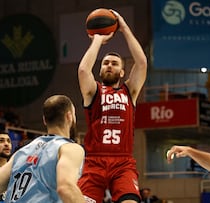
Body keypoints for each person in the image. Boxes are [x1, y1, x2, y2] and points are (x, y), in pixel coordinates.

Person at [77, 9, 147, 203]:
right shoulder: (93, 91)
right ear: (100, 69)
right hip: (94, 161)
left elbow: (141, 63)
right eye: (106, 63)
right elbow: (83, 70)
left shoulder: (129, 91)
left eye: (114, 63)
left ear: (122, 71)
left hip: (123, 162)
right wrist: (98, 39)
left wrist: (123, 28)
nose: (109, 65)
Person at [0, 95, 85, 203]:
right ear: (69, 116)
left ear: (44, 120)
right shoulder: (70, 148)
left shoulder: (21, 152)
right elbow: (66, 188)